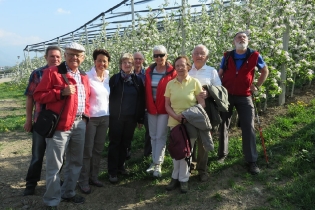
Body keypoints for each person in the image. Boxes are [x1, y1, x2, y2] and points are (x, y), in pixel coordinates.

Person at [33, 42, 90, 209]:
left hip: (79, 123)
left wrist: (85, 117)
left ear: (83, 57)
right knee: (55, 165)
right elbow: (38, 95)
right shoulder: (52, 72)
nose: (74, 57)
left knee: (76, 162)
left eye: (78, 55)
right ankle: (51, 201)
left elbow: (86, 99)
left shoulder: (84, 76)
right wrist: (60, 93)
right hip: (60, 125)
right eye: (71, 54)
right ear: (65, 55)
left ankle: (68, 192)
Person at [218, 31, 269, 174]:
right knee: (223, 124)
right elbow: (220, 73)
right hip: (226, 95)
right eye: (239, 37)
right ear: (234, 42)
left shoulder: (255, 55)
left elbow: (265, 71)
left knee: (248, 126)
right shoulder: (227, 56)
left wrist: (257, 86)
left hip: (245, 95)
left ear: (248, 41)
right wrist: (216, 88)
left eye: (244, 37)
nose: (242, 39)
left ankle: (251, 160)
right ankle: (222, 154)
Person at [23, 46, 62, 196]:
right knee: (37, 155)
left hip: (59, 122)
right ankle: (31, 184)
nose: (55, 59)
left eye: (58, 57)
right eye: (52, 56)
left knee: (58, 156)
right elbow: (30, 97)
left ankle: (55, 181)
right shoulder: (38, 73)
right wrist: (28, 120)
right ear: (46, 57)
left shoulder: (64, 74)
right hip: (40, 120)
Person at [164, 56, 205, 193]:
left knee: (187, 152)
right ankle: (175, 177)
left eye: (183, 65)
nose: (180, 68)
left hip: (191, 122)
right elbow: (167, 105)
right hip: (174, 122)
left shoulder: (194, 82)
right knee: (177, 151)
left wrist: (188, 116)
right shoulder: (170, 84)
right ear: (175, 68)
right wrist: (176, 116)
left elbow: (202, 104)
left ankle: (184, 179)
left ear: (188, 66)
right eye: (177, 66)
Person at [107, 53, 145, 183]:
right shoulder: (115, 79)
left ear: (133, 65)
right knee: (115, 143)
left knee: (126, 143)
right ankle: (112, 171)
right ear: (120, 65)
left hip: (131, 119)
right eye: (124, 62)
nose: (127, 65)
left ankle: (120, 166)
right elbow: (108, 98)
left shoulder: (137, 80)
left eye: (129, 62)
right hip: (116, 118)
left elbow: (141, 100)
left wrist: (140, 118)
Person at [78, 49, 111, 194]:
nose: (102, 64)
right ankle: (83, 181)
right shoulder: (87, 76)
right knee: (87, 151)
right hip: (91, 118)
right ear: (94, 61)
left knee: (98, 150)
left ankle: (94, 177)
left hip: (105, 117)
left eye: (104, 61)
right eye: (99, 60)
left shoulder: (108, 76)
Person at [189, 44, 222, 182]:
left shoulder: (211, 71)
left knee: (204, 138)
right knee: (190, 138)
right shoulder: (187, 70)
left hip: (205, 108)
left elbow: (219, 88)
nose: (198, 55)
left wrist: (208, 92)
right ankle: (190, 164)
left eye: (202, 53)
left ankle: (202, 169)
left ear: (207, 57)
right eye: (196, 53)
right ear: (192, 56)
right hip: (189, 107)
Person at [145, 45, 177, 177]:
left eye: (161, 55)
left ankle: (158, 163)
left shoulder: (172, 72)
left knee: (161, 136)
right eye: (156, 55)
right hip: (151, 108)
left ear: (166, 56)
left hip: (164, 108)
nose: (159, 58)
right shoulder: (148, 71)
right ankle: (154, 161)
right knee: (153, 136)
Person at [133, 52, 151, 157]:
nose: (138, 61)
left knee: (150, 131)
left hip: (145, 107)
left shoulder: (147, 74)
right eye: (136, 59)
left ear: (143, 61)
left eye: (140, 59)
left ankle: (148, 153)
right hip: (132, 108)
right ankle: (126, 153)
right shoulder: (128, 73)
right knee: (128, 132)